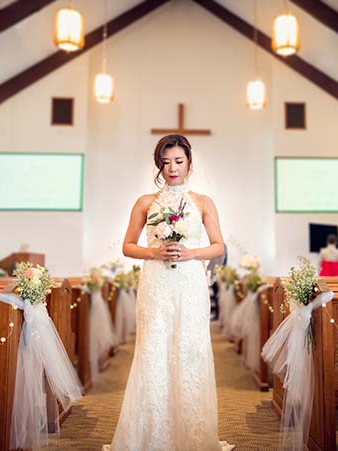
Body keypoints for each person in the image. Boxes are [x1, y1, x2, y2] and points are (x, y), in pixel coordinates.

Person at [104, 135, 234, 450]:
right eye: (165, 162)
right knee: (154, 351)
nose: (172, 168)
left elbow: (219, 245)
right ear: (158, 164)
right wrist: (154, 253)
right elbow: (127, 245)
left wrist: (191, 253)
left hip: (190, 282)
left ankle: (190, 434)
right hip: (156, 283)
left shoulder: (203, 201)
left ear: (189, 163)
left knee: (190, 351)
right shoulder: (145, 202)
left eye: (178, 161)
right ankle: (151, 435)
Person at [207, 243, 228, 320]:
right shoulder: (213, 246)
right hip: (212, 273)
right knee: (216, 294)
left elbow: (224, 262)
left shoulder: (222, 247)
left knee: (218, 295)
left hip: (218, 274)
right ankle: (217, 314)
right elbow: (212, 262)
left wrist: (220, 273)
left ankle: (218, 314)